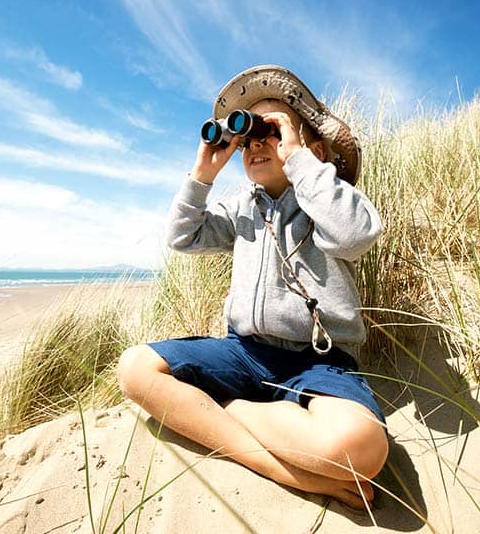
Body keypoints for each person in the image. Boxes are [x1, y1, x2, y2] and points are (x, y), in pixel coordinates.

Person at [117, 65, 388, 508]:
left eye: (274, 129)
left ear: (312, 147)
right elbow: (182, 237)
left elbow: (356, 234)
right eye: (249, 136)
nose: (257, 142)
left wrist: (303, 163)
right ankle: (271, 463)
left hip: (320, 363)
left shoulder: (327, 200)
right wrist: (204, 173)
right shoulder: (242, 208)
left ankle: (231, 411)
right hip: (244, 352)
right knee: (135, 368)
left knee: (362, 449)